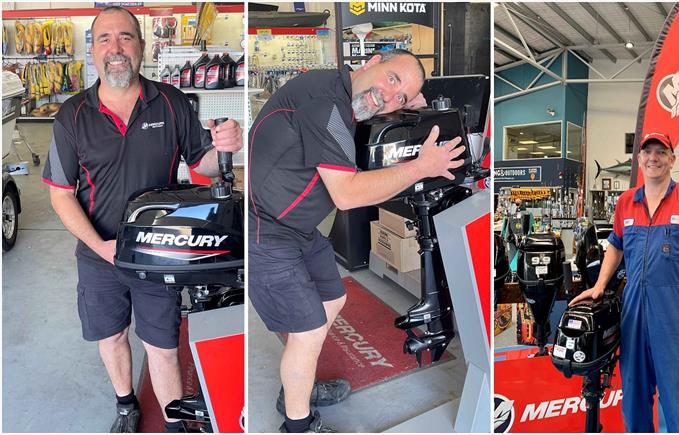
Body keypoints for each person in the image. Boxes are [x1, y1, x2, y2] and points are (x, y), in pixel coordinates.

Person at [41, 6, 242, 433]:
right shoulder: (71, 115)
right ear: (92, 50)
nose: (116, 49)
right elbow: (60, 194)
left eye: (126, 37)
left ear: (142, 46)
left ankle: (173, 423)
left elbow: (201, 163)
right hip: (99, 256)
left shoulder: (170, 101)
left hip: (158, 255)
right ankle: (126, 405)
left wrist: (225, 147)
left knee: (162, 347)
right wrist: (100, 246)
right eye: (105, 39)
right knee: (111, 336)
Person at [248, 49, 464, 433]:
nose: (388, 95)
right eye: (391, 78)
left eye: (400, 95)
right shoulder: (326, 106)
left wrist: (412, 102)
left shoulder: (340, 95)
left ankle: (298, 383)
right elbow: (347, 195)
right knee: (309, 329)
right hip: (268, 229)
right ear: (371, 61)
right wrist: (421, 166)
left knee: (333, 298)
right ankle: (297, 422)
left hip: (296, 226)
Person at [570, 132, 679, 432]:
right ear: (639, 160)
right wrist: (600, 286)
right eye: (647, 152)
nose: (653, 157)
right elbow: (615, 246)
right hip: (634, 316)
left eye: (661, 152)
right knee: (635, 405)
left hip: (678, 318)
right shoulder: (626, 202)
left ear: (672, 159)